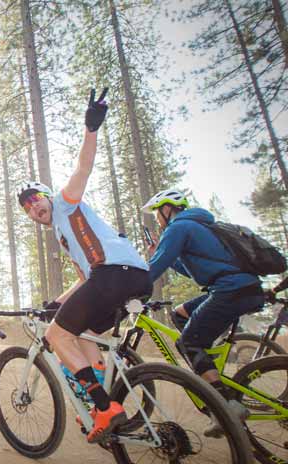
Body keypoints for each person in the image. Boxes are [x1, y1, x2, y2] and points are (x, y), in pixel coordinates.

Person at [17, 87, 152, 443]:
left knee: (56, 335)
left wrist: (90, 128)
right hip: (132, 277)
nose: (34, 209)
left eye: (35, 200)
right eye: (28, 208)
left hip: (114, 275)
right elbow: (85, 281)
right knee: (85, 332)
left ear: (47, 196)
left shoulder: (65, 204)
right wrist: (58, 302)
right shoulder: (66, 234)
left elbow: (83, 167)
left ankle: (104, 407)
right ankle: (104, 400)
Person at [143, 188, 264, 437]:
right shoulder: (202, 225)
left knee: (187, 342)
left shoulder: (178, 227)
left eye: (157, 212)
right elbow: (193, 271)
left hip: (229, 290)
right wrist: (160, 254)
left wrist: (130, 287)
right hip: (243, 287)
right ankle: (207, 361)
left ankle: (223, 406)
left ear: (167, 209)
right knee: (179, 314)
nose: (157, 218)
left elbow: (156, 268)